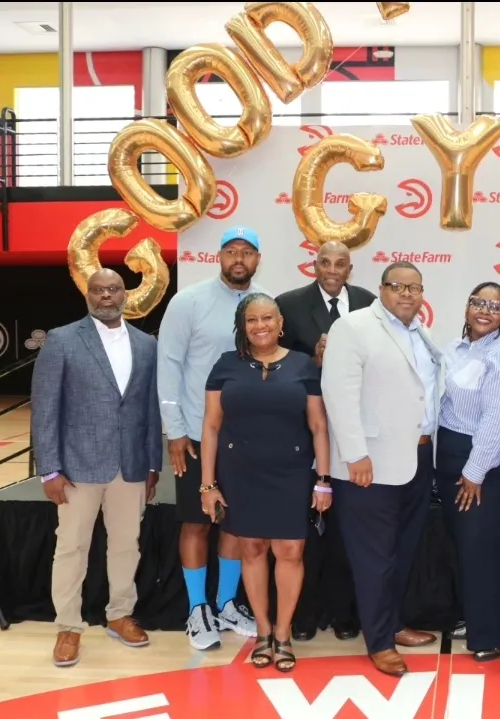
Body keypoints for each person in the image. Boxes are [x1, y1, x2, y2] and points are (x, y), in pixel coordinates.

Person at [31, 269, 162, 667]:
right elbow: (45, 408)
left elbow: (150, 410)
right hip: (77, 466)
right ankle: (68, 626)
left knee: (126, 545)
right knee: (72, 547)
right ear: (87, 295)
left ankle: (119, 614)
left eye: (114, 289)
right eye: (99, 290)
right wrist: (49, 470)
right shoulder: (63, 339)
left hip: (131, 465)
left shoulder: (146, 344)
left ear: (126, 294)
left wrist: (153, 462)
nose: (106, 295)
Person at [320, 261, 442, 677]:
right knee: (375, 558)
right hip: (369, 464)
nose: (407, 294)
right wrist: (354, 454)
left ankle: (392, 623)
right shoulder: (353, 327)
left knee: (403, 552)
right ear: (381, 289)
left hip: (417, 457)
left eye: (415, 288)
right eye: (397, 286)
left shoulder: (420, 333)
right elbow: (337, 393)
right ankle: (379, 641)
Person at [199, 293, 332, 672]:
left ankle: (284, 634)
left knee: (290, 552)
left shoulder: (304, 366)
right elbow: (210, 427)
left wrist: (323, 480)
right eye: (253, 320)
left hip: (291, 475)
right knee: (253, 550)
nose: (261, 326)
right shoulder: (225, 366)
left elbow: (319, 427)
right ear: (243, 326)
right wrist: (208, 485)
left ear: (281, 323)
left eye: (268, 319)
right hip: (240, 475)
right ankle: (263, 632)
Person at [157, 226, 262, 650]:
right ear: (219, 257)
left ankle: (226, 603)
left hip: (249, 437)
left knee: (235, 524)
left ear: (258, 259)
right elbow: (169, 366)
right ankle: (197, 609)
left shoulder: (265, 304)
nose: (239, 259)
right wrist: (175, 431)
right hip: (199, 436)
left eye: (248, 252)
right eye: (231, 251)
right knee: (197, 522)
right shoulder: (189, 302)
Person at [276, 240, 375, 642]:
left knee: (348, 529)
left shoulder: (371, 302)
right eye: (324, 262)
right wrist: (314, 362)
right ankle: (304, 614)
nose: (332, 270)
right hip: (304, 433)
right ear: (313, 265)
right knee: (305, 530)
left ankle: (345, 612)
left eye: (340, 263)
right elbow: (279, 361)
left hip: (358, 432)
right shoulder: (289, 303)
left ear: (350, 269)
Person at [436, 282, 500, 661]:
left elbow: (497, 418)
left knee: (484, 550)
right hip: (451, 456)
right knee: (463, 548)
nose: (485, 310)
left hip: (483, 463)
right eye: (478, 302)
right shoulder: (457, 348)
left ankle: (491, 634)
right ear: (466, 307)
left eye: (495, 306)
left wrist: (474, 471)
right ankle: (475, 619)